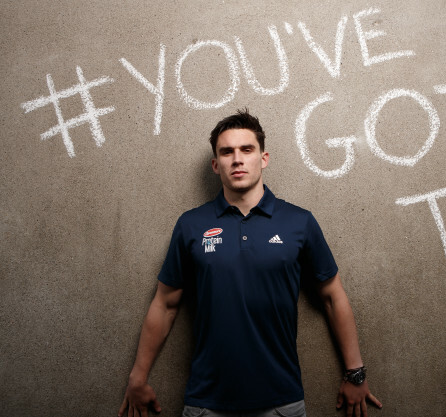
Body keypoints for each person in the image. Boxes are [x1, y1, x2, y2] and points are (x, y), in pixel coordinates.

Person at [118, 109, 381, 417]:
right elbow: (165, 305)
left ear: (263, 158)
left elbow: (332, 296)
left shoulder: (299, 222)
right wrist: (138, 377)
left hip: (281, 402)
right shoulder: (191, 225)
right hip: (206, 403)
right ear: (216, 165)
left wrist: (355, 373)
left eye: (247, 149)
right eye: (226, 152)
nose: (237, 159)